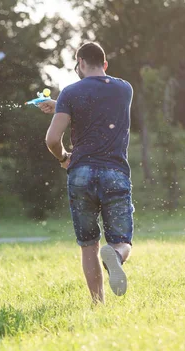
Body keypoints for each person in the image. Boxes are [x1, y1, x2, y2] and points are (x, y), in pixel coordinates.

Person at [39, 42, 134, 303]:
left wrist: (63, 159)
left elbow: (52, 139)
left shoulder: (70, 93)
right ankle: (116, 255)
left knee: (88, 244)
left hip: (80, 173)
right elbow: (100, 108)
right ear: (105, 64)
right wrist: (60, 104)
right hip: (114, 172)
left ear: (80, 62)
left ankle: (97, 303)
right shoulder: (124, 88)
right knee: (121, 240)